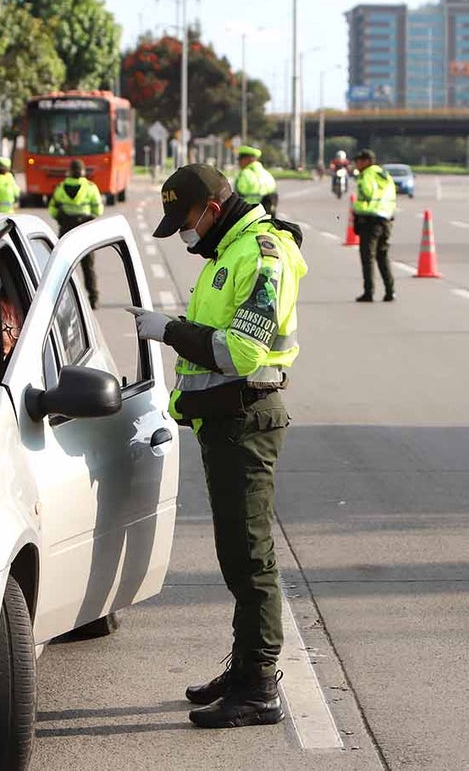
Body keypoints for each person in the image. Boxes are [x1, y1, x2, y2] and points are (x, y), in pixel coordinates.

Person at [126, 164, 306, 729]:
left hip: (246, 421)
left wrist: (167, 331)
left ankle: (259, 686)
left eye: (186, 221)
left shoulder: (260, 253)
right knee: (236, 553)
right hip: (226, 423)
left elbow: (244, 352)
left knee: (250, 559)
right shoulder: (228, 253)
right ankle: (245, 667)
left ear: (212, 207)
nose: (184, 234)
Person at [48, 158, 104, 308]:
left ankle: (58, 299)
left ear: (70, 171)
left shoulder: (60, 188)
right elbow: (98, 210)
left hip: (66, 231)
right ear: (83, 172)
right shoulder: (91, 188)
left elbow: (52, 210)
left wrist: (64, 216)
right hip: (84, 232)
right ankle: (93, 299)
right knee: (88, 267)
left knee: (61, 267)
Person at [351, 148, 398, 302]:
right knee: (382, 256)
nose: (356, 164)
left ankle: (369, 292)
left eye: (358, 161)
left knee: (368, 257)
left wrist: (357, 211)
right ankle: (390, 291)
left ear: (366, 162)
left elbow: (366, 194)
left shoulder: (366, 175)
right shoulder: (384, 175)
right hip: (386, 219)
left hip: (370, 220)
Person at [233, 145, 277, 215]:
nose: (239, 163)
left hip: (248, 216)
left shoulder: (244, 174)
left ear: (248, 159)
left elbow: (236, 198)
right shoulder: (267, 175)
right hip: (267, 218)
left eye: (240, 159)